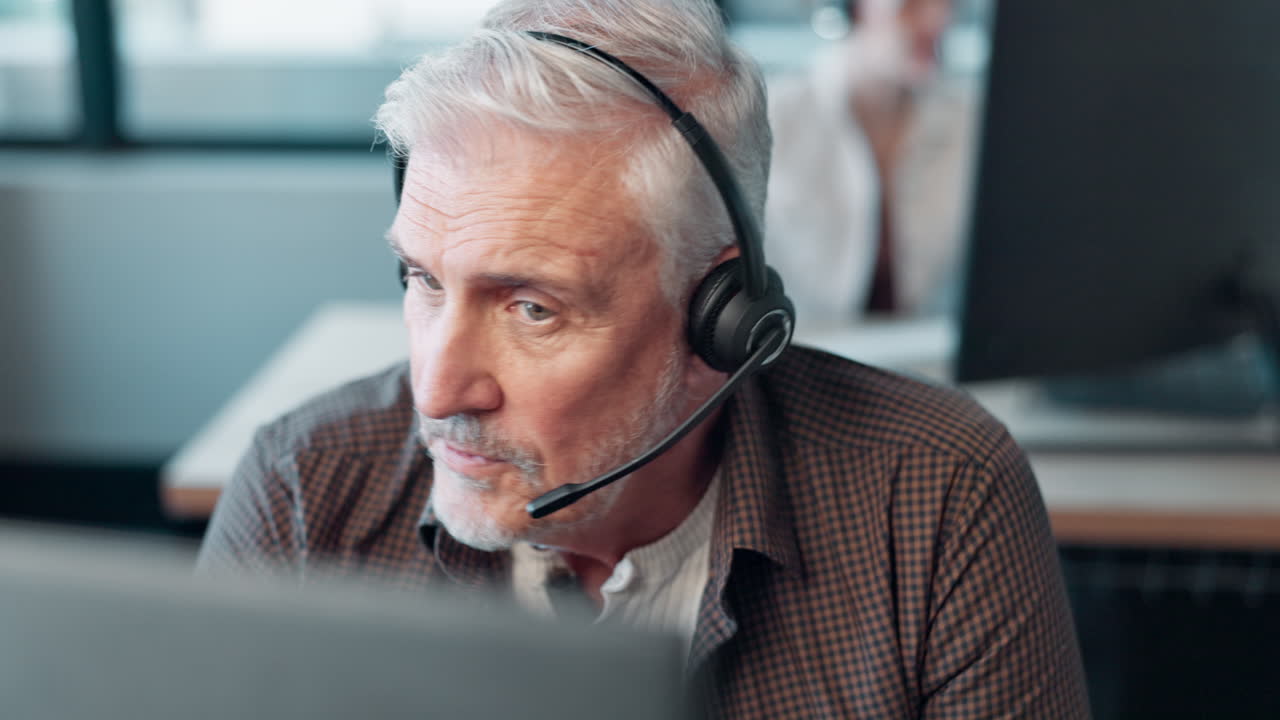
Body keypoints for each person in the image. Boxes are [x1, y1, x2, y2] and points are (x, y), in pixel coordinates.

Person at [198, 0, 1088, 716]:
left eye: (532, 308)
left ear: (720, 321)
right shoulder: (303, 495)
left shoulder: (937, 497)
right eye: (421, 278)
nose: (438, 388)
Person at [765, 0, 977, 330]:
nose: (938, 21)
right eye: (912, 5)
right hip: (804, 353)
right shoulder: (772, 119)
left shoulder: (971, 121)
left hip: (925, 354)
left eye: (949, 5)